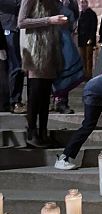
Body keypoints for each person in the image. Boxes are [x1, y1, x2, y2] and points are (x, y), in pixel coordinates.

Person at [18, 0, 67, 147]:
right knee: (36, 93)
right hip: (36, 49)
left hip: (50, 48)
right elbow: (21, 22)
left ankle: (43, 133)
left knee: (45, 96)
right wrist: (49, 20)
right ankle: (31, 133)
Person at [52, 0, 83, 114]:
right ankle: (52, 100)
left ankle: (61, 101)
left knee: (66, 68)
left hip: (64, 40)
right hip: (48, 37)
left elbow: (73, 19)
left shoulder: (70, 3)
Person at [0, 0, 26, 114]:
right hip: (9, 26)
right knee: (15, 65)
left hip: (18, 27)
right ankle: (14, 101)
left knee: (17, 66)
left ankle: (12, 101)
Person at [78, 0, 97, 81]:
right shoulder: (81, 14)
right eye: (81, 3)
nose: (82, 4)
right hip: (81, 39)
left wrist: (91, 38)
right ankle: (84, 74)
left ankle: (89, 75)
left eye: (83, 2)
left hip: (88, 39)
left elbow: (93, 27)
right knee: (83, 58)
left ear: (87, 3)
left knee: (88, 58)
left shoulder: (92, 14)